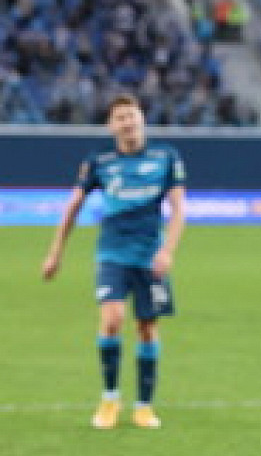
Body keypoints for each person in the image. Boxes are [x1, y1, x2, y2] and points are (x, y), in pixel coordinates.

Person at [41, 92, 187, 430]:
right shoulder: (99, 162)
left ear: (142, 119)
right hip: (112, 253)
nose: (127, 122)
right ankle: (110, 399)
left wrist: (167, 251)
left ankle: (144, 406)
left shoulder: (166, 157)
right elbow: (72, 207)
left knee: (147, 327)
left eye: (132, 115)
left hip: (150, 256)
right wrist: (55, 253)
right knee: (112, 319)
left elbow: (179, 209)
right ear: (110, 126)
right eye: (120, 117)